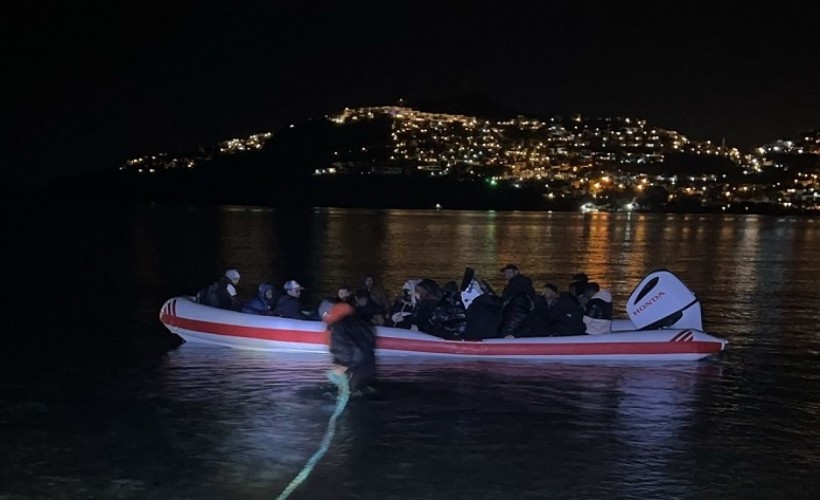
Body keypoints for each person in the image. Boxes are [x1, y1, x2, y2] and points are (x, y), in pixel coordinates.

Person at [319, 300, 377, 397]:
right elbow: (371, 340)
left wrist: (341, 366)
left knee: (349, 395)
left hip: (353, 367)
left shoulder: (336, 326)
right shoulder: (360, 320)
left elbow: (342, 349)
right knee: (365, 391)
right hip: (369, 365)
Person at [498, 264, 536, 338]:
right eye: (505, 273)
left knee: (506, 334)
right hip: (525, 314)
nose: (506, 274)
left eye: (508, 272)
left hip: (515, 314)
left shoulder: (514, 283)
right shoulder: (526, 283)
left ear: (516, 272)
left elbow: (505, 298)